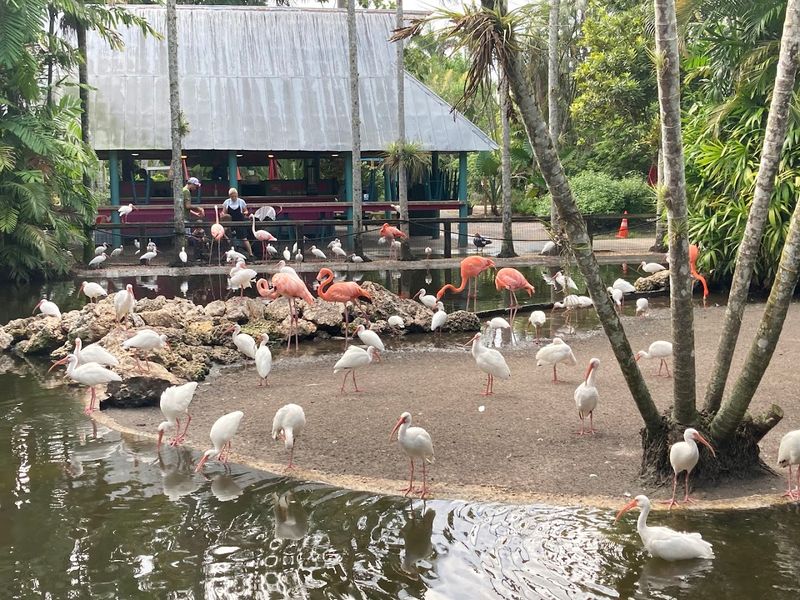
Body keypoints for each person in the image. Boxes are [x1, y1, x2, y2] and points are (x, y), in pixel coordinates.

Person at [221, 188, 253, 257]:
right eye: (232, 196)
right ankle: (227, 253)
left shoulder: (241, 201)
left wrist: (245, 213)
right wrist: (223, 215)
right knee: (227, 236)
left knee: (244, 238)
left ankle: (250, 253)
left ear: (237, 195)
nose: (234, 198)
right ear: (230, 196)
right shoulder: (227, 202)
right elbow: (224, 213)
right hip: (230, 222)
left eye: (235, 196)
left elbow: (246, 211)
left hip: (240, 221)